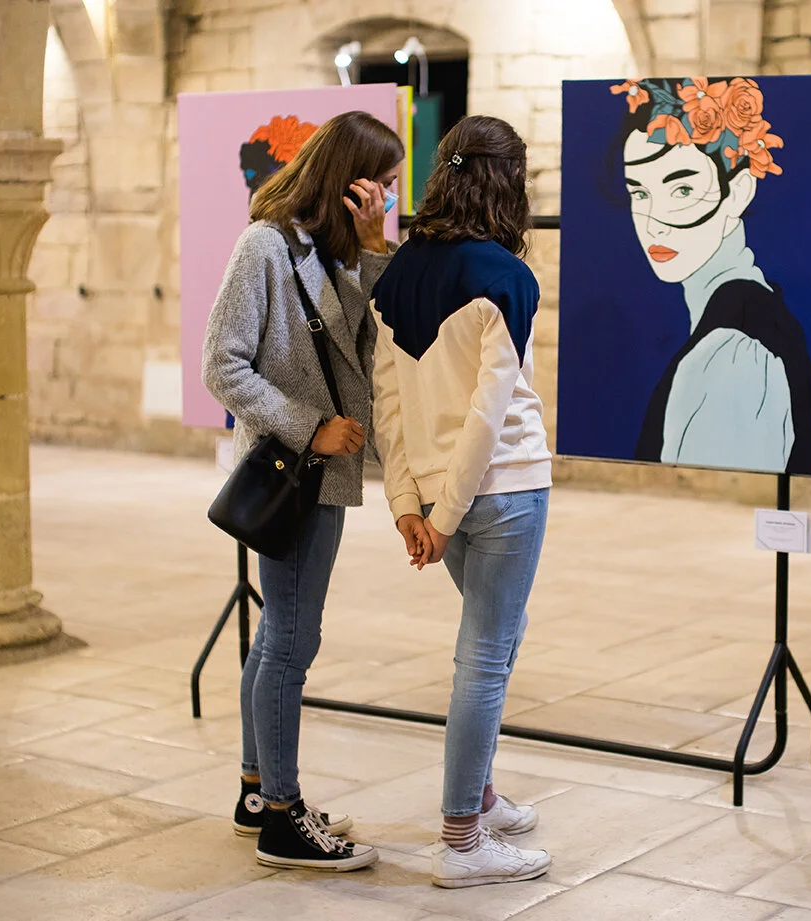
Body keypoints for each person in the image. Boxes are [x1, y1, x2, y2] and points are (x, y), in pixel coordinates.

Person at [202, 110, 402, 871]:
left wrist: (376, 248)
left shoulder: (335, 252)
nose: (389, 196)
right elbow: (222, 364)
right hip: (293, 471)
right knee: (291, 640)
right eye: (382, 183)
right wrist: (308, 427)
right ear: (348, 179)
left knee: (280, 635)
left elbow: (375, 339)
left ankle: (258, 792)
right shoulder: (265, 245)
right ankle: (283, 819)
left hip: (326, 474)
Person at [370, 115, 554, 889]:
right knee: (484, 657)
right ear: (507, 183)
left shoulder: (397, 273)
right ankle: (462, 841)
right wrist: (441, 515)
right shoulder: (506, 276)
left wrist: (409, 505)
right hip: (504, 487)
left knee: (495, 640)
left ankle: (477, 794)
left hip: (437, 494)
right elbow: (488, 410)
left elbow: (387, 402)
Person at [614, 76, 811, 474]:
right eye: (639, 193)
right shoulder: (748, 318)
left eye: (682, 190)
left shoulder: (734, 352)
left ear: (738, 192)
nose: (654, 223)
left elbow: (724, 495)